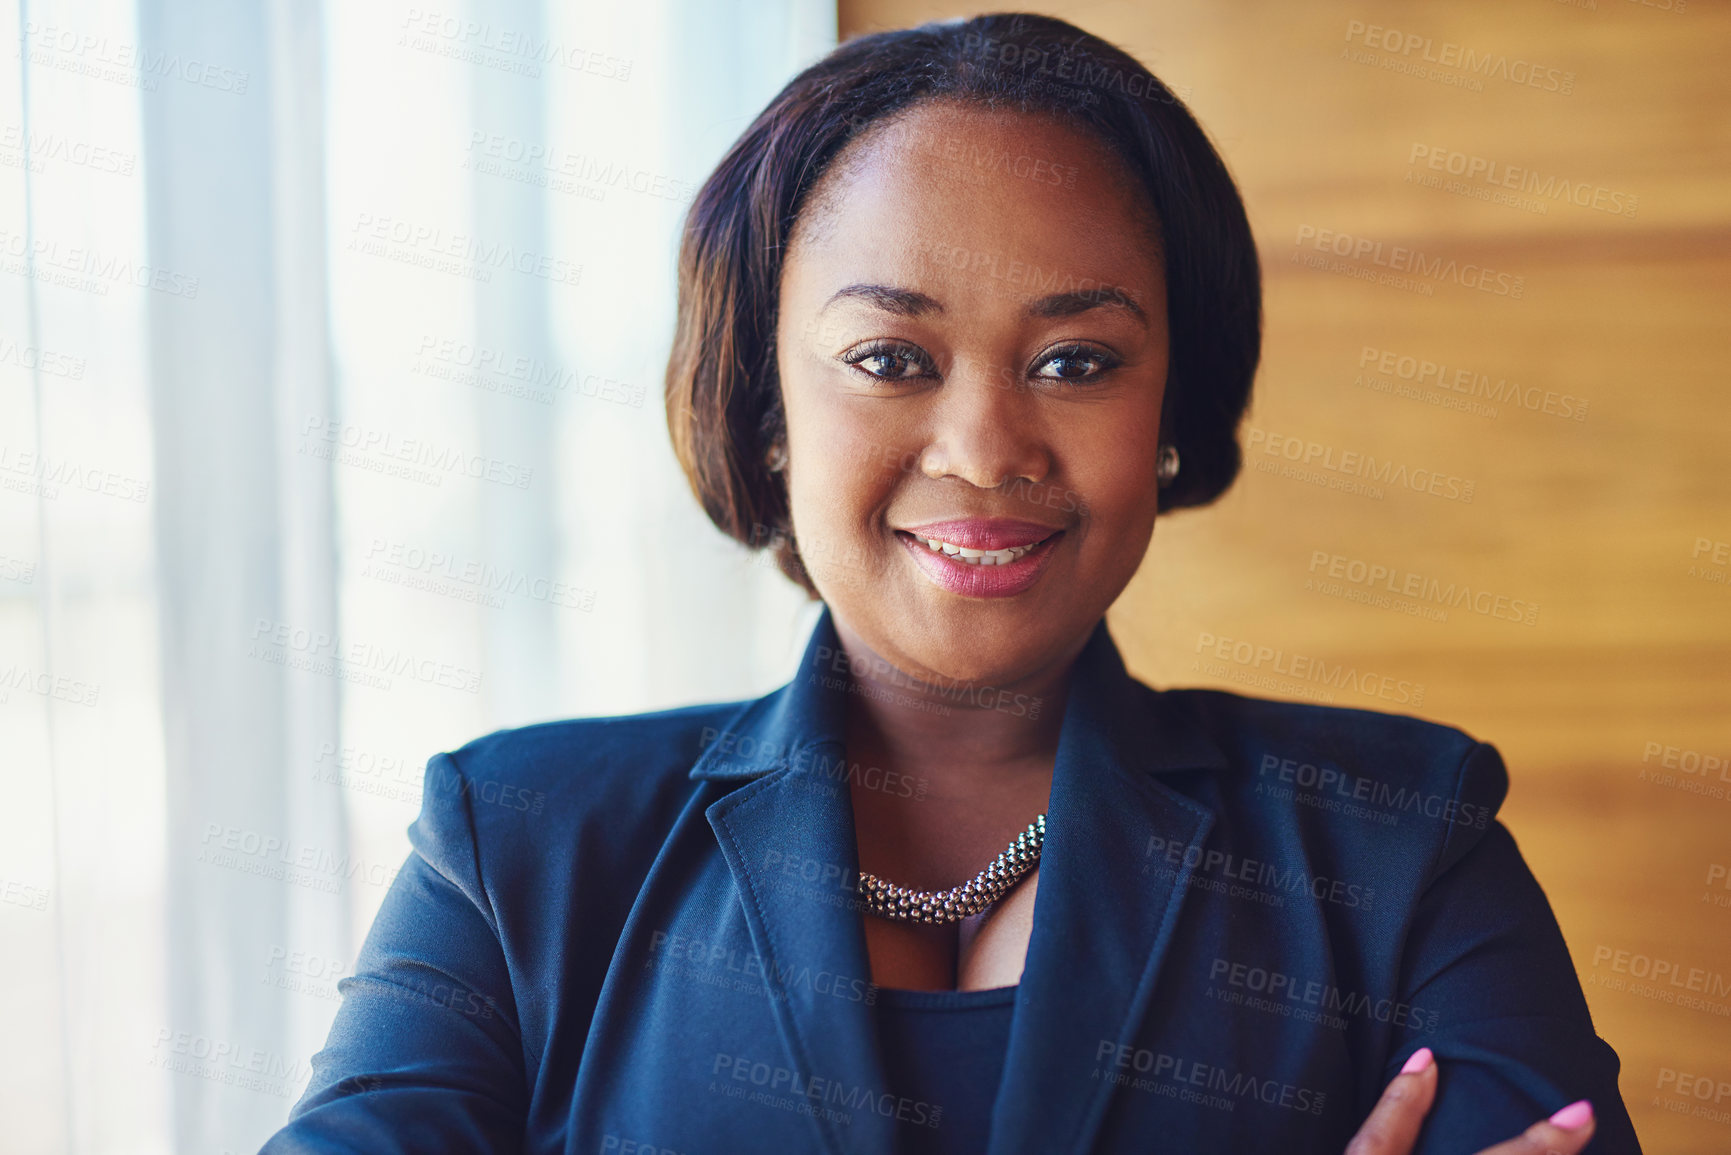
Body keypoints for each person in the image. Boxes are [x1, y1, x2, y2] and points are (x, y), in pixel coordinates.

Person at [264, 13, 1640, 1154]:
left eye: (1079, 361)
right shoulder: (518, 849)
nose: (986, 450)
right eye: (888, 358)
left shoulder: (1402, 841)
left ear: (1170, 410)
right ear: (768, 414)